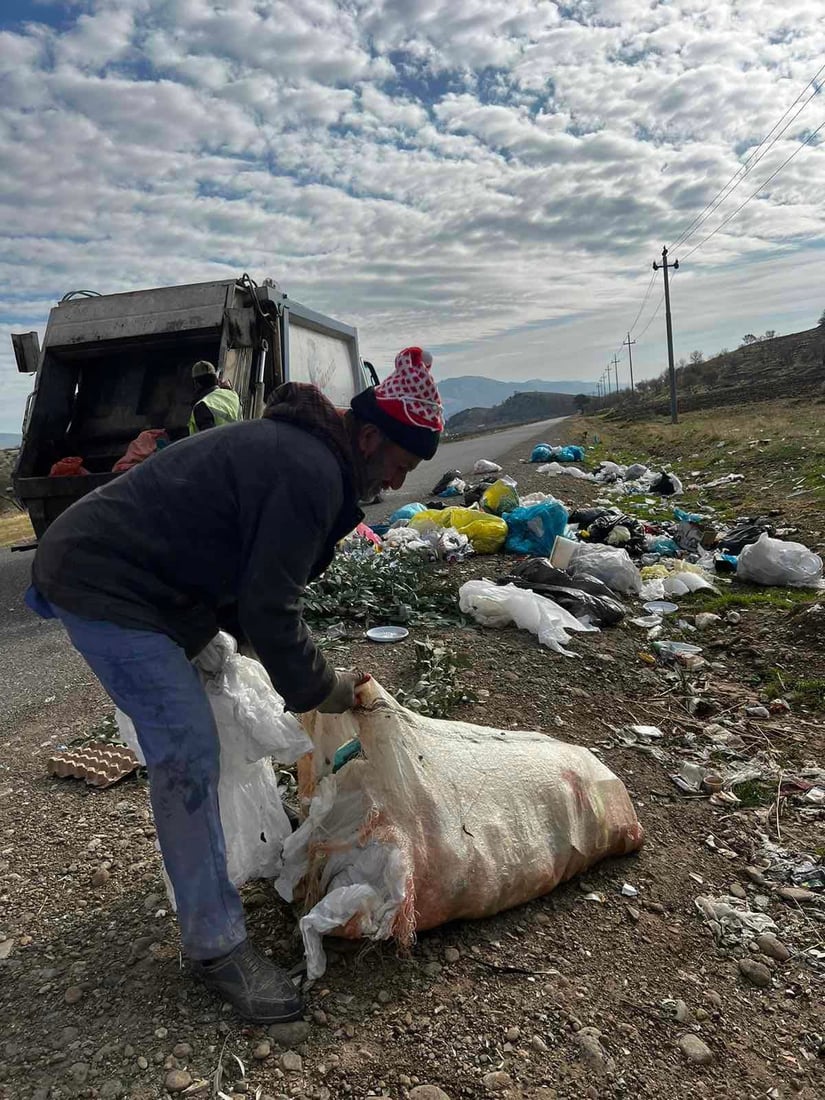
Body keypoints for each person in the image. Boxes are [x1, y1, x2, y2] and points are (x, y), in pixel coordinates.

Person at [25, 347, 443, 1023]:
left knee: (216, 689)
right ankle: (216, 949)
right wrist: (321, 686)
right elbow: (270, 610)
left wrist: (245, 651)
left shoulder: (308, 458)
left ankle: (219, 877)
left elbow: (243, 581)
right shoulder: (308, 470)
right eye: (398, 465)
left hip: (152, 584)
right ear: (368, 438)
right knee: (186, 749)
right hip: (103, 580)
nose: (394, 483)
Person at [189, 360, 242, 433]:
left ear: (196, 384)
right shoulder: (233, 395)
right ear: (216, 379)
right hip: (240, 442)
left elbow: (210, 440)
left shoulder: (202, 406)